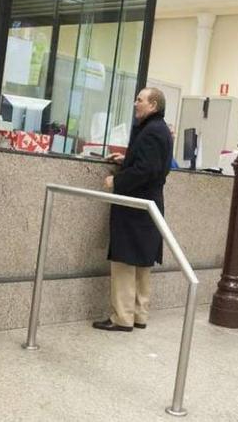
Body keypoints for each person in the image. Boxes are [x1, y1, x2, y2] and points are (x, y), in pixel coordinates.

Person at [93, 87, 173, 332]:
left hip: (135, 205)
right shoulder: (160, 130)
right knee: (142, 263)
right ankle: (139, 314)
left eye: (140, 99)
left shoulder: (150, 132)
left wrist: (116, 180)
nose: (135, 103)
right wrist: (125, 161)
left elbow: (145, 171)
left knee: (125, 261)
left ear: (153, 105)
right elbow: (150, 165)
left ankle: (122, 317)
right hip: (148, 206)